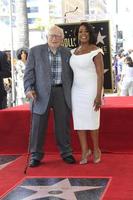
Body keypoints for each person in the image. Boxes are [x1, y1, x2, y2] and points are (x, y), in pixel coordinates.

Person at [24, 25, 76, 167]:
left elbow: (73, 75)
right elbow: (28, 73)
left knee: (62, 125)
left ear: (62, 39)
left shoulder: (68, 53)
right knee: (38, 125)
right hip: (39, 94)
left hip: (61, 92)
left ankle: (66, 153)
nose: (54, 38)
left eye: (57, 36)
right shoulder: (35, 51)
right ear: (46, 37)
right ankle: (35, 155)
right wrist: (29, 88)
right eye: (51, 35)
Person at [70, 22, 104, 164]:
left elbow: (100, 75)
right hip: (76, 91)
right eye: (80, 31)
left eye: (86, 31)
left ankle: (96, 149)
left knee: (91, 120)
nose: (82, 34)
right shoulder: (73, 52)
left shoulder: (95, 51)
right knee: (79, 122)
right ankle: (85, 150)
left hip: (91, 90)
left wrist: (98, 95)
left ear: (90, 34)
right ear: (77, 34)